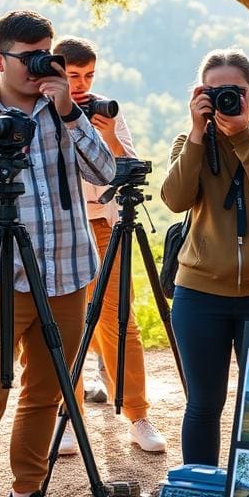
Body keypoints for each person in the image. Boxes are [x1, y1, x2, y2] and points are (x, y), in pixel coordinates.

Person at [0, 11, 116, 497]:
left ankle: (26, 493)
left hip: (67, 275)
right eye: (29, 58)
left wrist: (69, 111)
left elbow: (105, 172)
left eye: (49, 55)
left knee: (47, 393)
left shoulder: (65, 111)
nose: (41, 66)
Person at [161, 48, 249, 466]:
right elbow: (174, 199)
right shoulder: (190, 143)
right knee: (203, 405)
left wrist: (241, 138)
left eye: (235, 91)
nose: (227, 99)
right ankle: (202, 493)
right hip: (199, 294)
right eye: (215, 91)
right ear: (199, 95)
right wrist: (199, 134)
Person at [51, 36, 166, 454]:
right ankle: (67, 417)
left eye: (88, 76)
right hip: (60, 229)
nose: (81, 84)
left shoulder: (106, 112)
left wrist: (110, 138)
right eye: (73, 76)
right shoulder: (43, 109)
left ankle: (138, 415)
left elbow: (130, 167)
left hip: (103, 225)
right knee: (65, 325)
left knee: (119, 322)